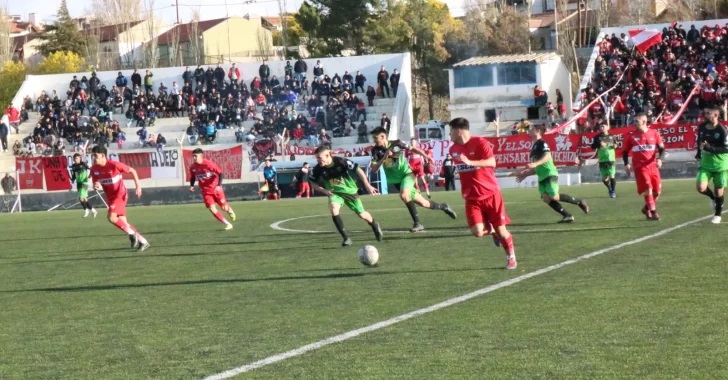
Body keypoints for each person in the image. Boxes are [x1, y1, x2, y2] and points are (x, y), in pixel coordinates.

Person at [449, 118, 516, 269]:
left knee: (502, 231)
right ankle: (491, 230)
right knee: (477, 232)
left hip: (491, 194)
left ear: (458, 131)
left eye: (451, 131)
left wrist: (471, 162)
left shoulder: (480, 143)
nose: (450, 135)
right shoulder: (453, 150)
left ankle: (511, 257)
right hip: (472, 198)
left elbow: (492, 163)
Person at [369, 127, 456, 232]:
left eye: (375, 137)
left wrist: (425, 156)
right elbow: (374, 169)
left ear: (383, 137)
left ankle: (417, 223)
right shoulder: (374, 151)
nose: (374, 140)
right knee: (424, 203)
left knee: (404, 195)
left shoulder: (397, 143)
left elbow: (412, 148)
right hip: (396, 182)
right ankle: (444, 206)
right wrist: (384, 158)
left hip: (407, 175)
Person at [308, 146, 383, 246]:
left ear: (327, 155)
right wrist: (325, 191)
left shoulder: (341, 161)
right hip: (335, 193)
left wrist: (367, 184)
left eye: (320, 158)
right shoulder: (318, 169)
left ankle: (374, 225)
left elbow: (358, 170)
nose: (318, 161)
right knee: (333, 208)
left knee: (362, 214)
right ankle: (346, 238)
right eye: (317, 158)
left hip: (350, 192)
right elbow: (312, 183)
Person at [514, 125, 589, 223]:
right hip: (542, 176)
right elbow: (536, 167)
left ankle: (579, 202)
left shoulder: (542, 143)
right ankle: (567, 216)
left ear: (537, 131)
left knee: (554, 197)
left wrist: (536, 163)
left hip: (549, 173)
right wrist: (524, 175)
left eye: (531, 129)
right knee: (546, 198)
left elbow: (548, 156)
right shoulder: (534, 147)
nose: (529, 131)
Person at [90, 145, 150, 251]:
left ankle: (132, 234)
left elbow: (132, 171)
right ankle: (143, 241)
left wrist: (138, 186)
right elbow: (96, 181)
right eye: (92, 155)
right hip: (110, 197)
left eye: (95, 155)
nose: (93, 158)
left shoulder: (114, 165)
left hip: (120, 195)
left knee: (111, 217)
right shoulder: (94, 169)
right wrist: (96, 185)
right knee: (124, 223)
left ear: (103, 155)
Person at [622, 112, 664, 221]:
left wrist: (660, 159)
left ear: (644, 121)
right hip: (640, 167)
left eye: (637, 121)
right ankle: (654, 212)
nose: (634, 123)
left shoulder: (654, 133)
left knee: (657, 192)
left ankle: (646, 208)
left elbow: (662, 149)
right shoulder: (631, 136)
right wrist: (626, 164)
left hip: (653, 167)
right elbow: (625, 152)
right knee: (648, 189)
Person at [188, 148, 236, 230]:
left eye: (196, 156)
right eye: (193, 156)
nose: (194, 158)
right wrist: (191, 185)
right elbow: (192, 177)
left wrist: (218, 185)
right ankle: (227, 224)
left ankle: (229, 210)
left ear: (201, 156)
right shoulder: (192, 167)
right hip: (205, 191)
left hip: (216, 189)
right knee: (212, 209)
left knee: (224, 208)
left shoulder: (209, 164)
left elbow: (220, 173)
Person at [694, 107, 728, 224]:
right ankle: (713, 198)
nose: (705, 115)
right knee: (700, 188)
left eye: (708, 113)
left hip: (720, 165)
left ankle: (717, 214)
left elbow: (726, 149)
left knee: (719, 191)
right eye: (705, 113)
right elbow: (700, 140)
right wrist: (698, 153)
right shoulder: (702, 127)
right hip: (706, 163)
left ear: (716, 115)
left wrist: (710, 148)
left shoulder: (722, 130)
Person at [589, 122, 618, 198]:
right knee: (604, 179)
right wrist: (599, 145)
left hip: (611, 159)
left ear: (607, 127)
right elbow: (592, 146)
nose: (601, 128)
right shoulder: (597, 137)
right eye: (600, 126)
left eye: (603, 126)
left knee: (612, 175)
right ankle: (609, 189)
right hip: (602, 160)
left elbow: (616, 144)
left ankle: (613, 191)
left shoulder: (612, 136)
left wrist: (615, 145)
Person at [69, 153, 97, 218]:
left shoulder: (83, 164)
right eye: (75, 158)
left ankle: (86, 210)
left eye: (77, 158)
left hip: (84, 183)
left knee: (81, 198)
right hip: (78, 183)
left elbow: (92, 170)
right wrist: (73, 179)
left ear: (80, 158)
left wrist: (89, 177)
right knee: (85, 199)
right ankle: (93, 210)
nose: (76, 160)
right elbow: (74, 174)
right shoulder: (73, 166)